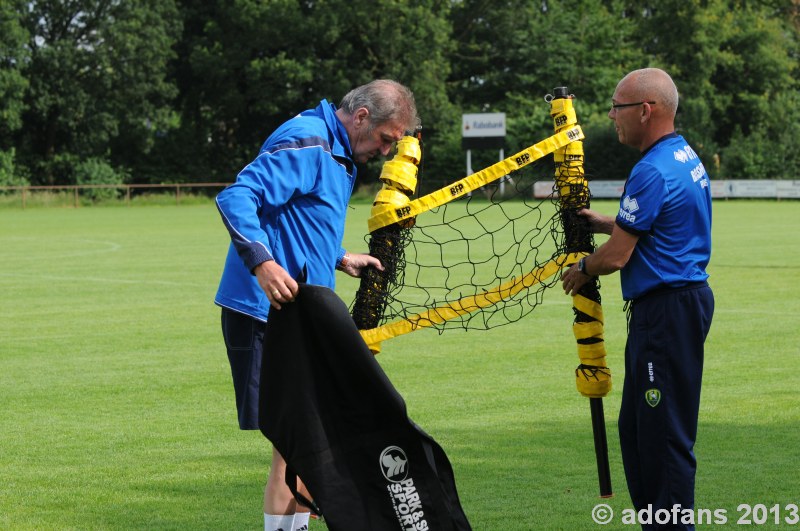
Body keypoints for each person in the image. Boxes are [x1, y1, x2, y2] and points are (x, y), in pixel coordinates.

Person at [214, 79, 419, 531]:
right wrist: (262, 264)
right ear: (362, 117)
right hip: (265, 312)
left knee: (313, 440)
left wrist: (340, 257)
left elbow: (298, 219)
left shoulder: (337, 152)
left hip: (305, 313)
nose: (386, 153)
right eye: (386, 139)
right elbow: (237, 196)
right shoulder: (310, 140)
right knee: (296, 443)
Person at [561, 68, 714, 530]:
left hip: (665, 315)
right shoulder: (681, 155)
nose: (611, 116)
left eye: (617, 107)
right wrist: (609, 223)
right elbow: (657, 226)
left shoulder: (649, 170)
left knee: (661, 437)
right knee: (637, 429)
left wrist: (581, 270)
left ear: (646, 110)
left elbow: (618, 257)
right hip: (678, 307)